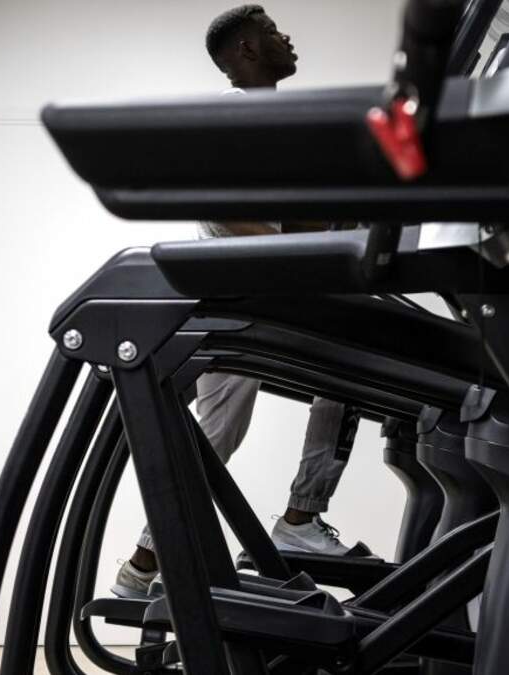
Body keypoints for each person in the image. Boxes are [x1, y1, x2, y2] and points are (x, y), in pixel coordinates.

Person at [112, 4, 369, 599]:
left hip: (256, 302)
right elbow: (238, 222)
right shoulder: (232, 121)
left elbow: (301, 223)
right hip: (240, 308)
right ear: (248, 50)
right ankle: (298, 521)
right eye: (273, 31)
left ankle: (143, 567)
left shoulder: (274, 122)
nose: (287, 38)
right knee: (344, 373)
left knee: (228, 430)